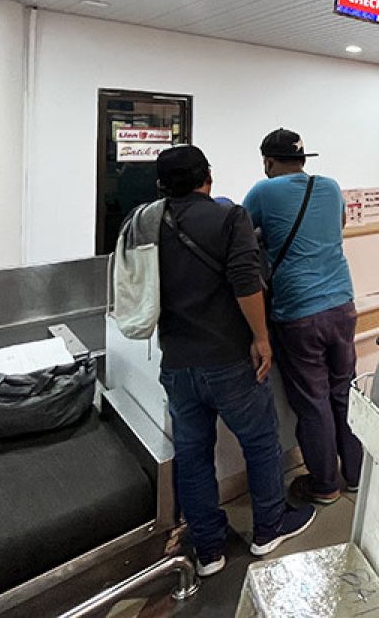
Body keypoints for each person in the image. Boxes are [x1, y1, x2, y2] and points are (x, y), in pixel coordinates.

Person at [154, 146, 316, 577]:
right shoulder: (229, 217)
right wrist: (261, 338)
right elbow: (246, 282)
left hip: (176, 361)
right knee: (261, 441)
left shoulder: (146, 222)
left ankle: (207, 550)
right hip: (228, 359)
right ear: (208, 176)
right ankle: (268, 529)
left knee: (191, 453)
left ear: (161, 186)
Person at [243, 129, 362, 506]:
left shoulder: (263, 192)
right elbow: (338, 227)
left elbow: (239, 238)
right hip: (342, 304)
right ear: (303, 159)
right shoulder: (330, 186)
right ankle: (356, 474)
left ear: (267, 161)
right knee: (344, 392)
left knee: (313, 400)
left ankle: (325, 484)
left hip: (298, 311)